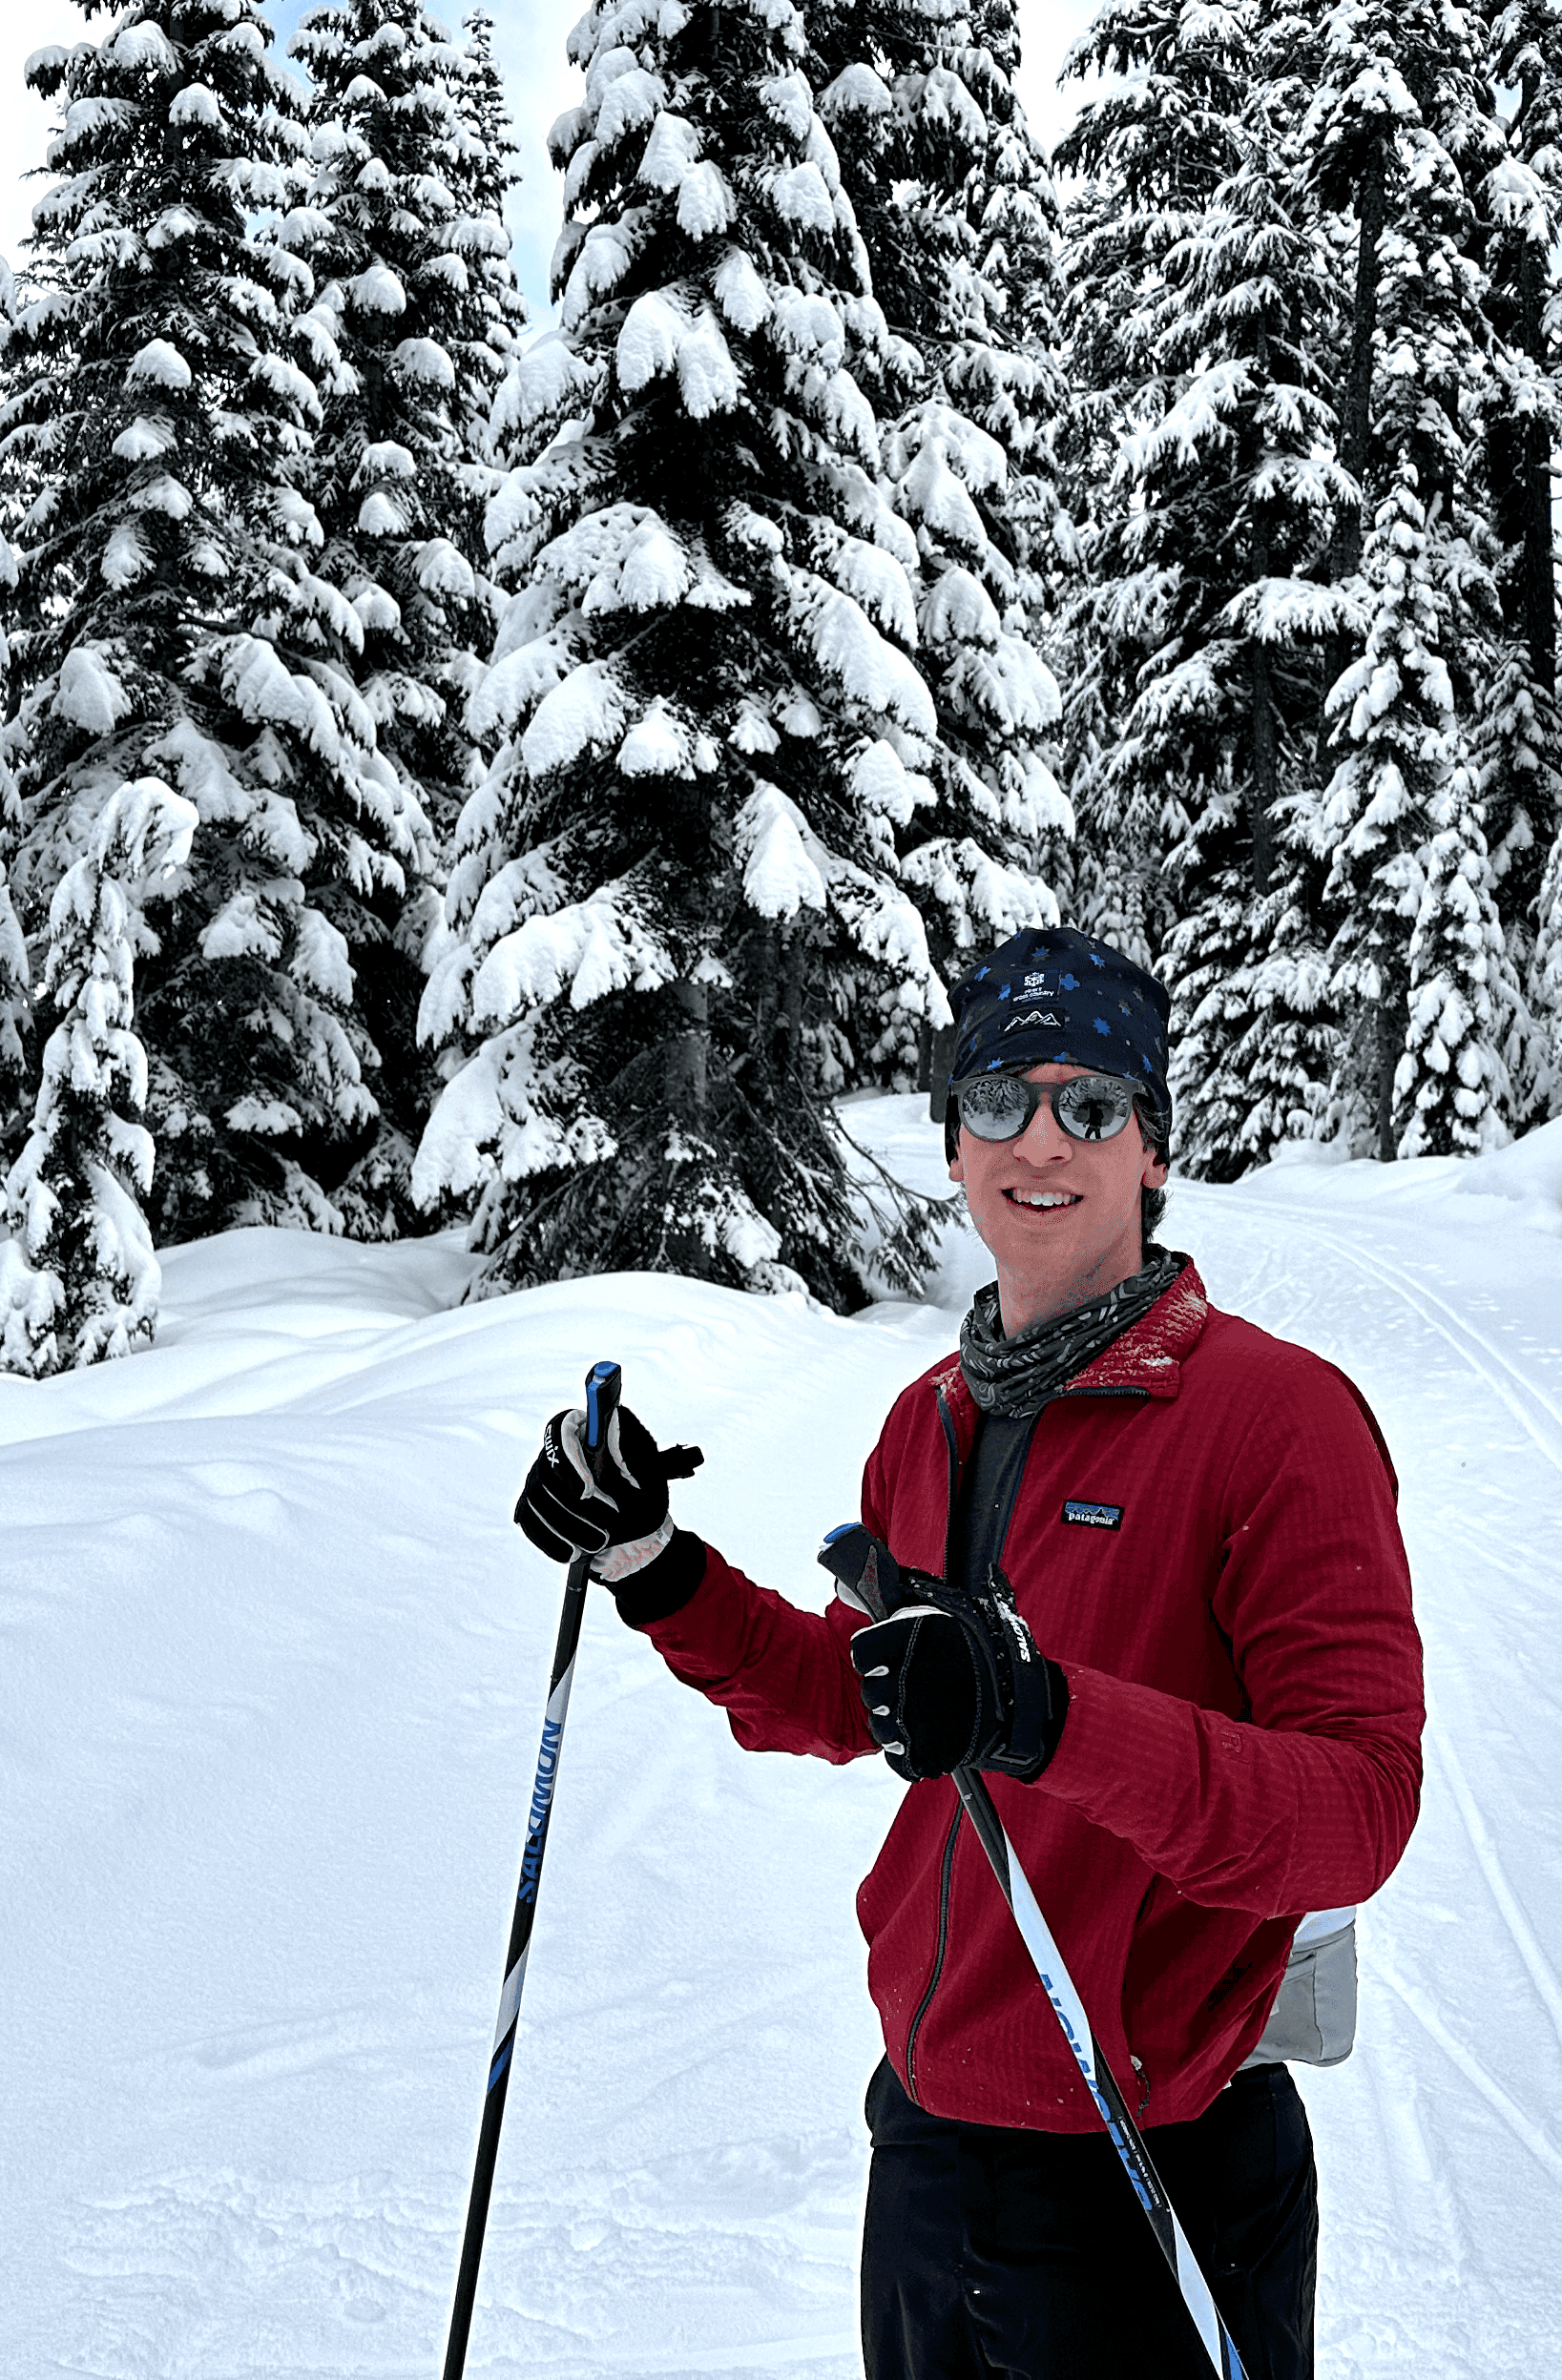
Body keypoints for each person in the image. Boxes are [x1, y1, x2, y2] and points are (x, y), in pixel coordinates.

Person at [513, 926, 1426, 2378]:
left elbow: (1355, 1812)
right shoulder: (932, 1420)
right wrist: (651, 1566)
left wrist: (1044, 1715)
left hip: (1159, 2164)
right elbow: (859, 1695)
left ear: (1154, 1151)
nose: (1038, 1138)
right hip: (932, 2138)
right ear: (951, 1145)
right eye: (998, 1097)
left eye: (1091, 1102)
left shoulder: (1280, 1419)